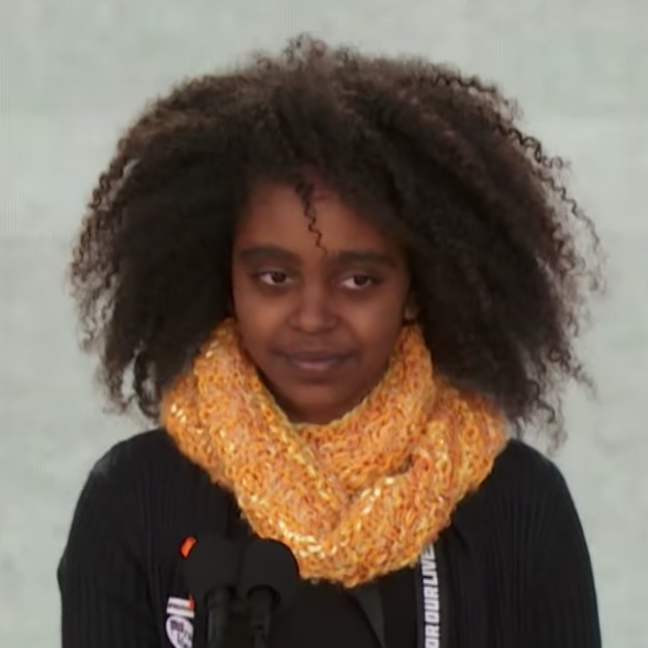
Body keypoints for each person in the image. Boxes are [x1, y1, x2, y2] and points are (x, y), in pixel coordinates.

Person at [58, 35, 604, 648]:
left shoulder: (520, 508)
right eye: (274, 278)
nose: (313, 317)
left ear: (417, 290)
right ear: (225, 280)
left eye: (358, 280)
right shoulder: (133, 502)